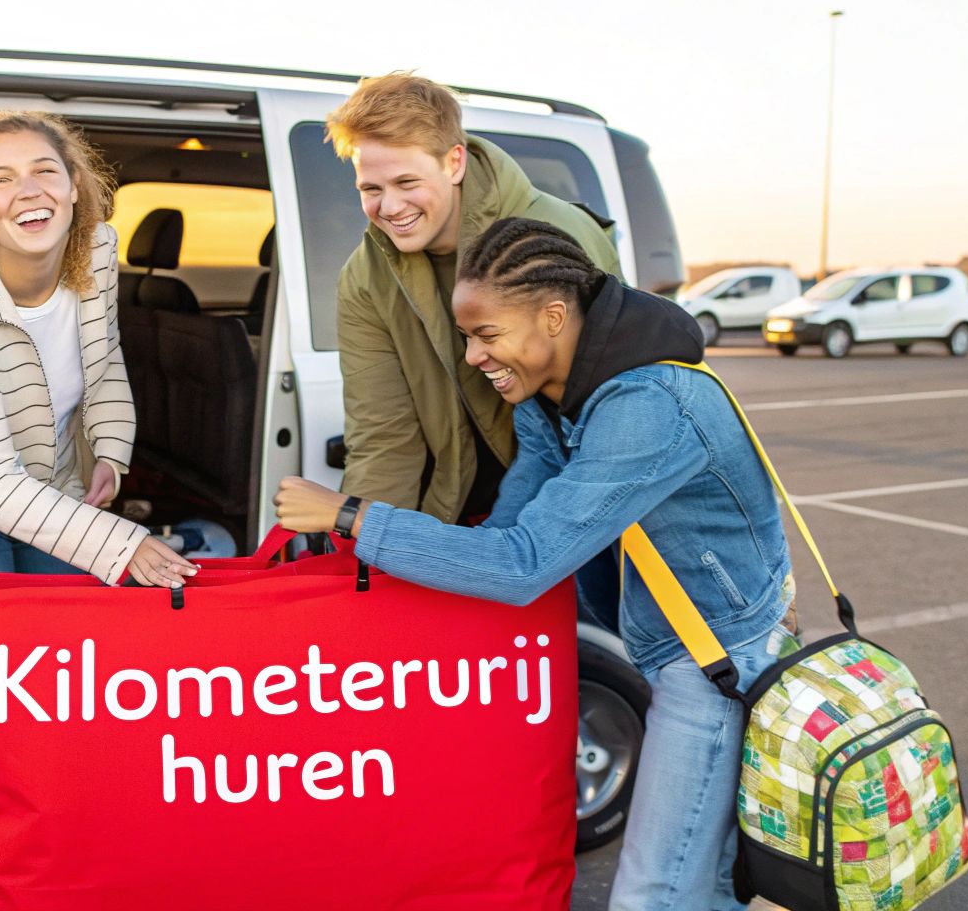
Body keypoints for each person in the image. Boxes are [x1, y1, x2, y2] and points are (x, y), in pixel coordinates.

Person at [274, 217, 792, 910]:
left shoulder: (649, 408)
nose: (471, 357)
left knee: (656, 895)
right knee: (708, 882)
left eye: (487, 336)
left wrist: (351, 516)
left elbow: (522, 564)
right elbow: (510, 529)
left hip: (719, 656)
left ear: (553, 317)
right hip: (674, 637)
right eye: (466, 336)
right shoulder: (552, 399)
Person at [0, 110, 197, 911]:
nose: (29, 190)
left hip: (48, 485)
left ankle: (50, 886)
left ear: (76, 184)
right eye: (0, 178)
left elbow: (104, 360)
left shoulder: (93, 249)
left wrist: (111, 451)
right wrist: (119, 545)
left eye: (45, 170)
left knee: (60, 706)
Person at [326, 72, 624, 527]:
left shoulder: (553, 237)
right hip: (460, 503)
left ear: (454, 163)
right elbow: (383, 435)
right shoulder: (366, 277)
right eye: (371, 189)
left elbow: (605, 417)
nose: (389, 207)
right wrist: (365, 553)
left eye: (407, 182)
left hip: (574, 495)